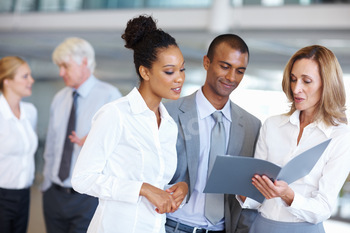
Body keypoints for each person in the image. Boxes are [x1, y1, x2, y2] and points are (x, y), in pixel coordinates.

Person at [71, 15, 188, 233]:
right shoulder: (115, 114)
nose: (179, 78)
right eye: (169, 71)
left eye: (182, 69)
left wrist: (177, 189)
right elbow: (82, 179)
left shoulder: (169, 125)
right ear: (145, 72)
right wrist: (142, 189)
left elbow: (153, 180)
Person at [239, 45, 350, 233]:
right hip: (261, 226)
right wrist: (241, 191)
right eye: (293, 79)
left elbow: (324, 207)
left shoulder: (340, 136)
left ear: (327, 84)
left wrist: (289, 195)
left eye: (306, 81)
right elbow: (256, 196)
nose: (296, 89)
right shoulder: (272, 125)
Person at [164, 34, 261, 233]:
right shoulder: (169, 113)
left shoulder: (252, 126)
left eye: (240, 71)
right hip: (172, 226)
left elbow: (249, 194)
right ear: (206, 62)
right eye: (225, 66)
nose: (232, 78)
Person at [42, 37, 122, 233]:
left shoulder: (110, 97)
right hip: (54, 194)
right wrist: (46, 186)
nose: (61, 72)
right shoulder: (59, 99)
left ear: (84, 62)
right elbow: (51, 146)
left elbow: (122, 150)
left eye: (65, 66)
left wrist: (96, 143)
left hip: (87, 197)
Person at [0, 56, 38, 233]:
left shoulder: (30, 112)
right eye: (25, 76)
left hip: (24, 195)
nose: (31, 80)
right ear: (7, 81)